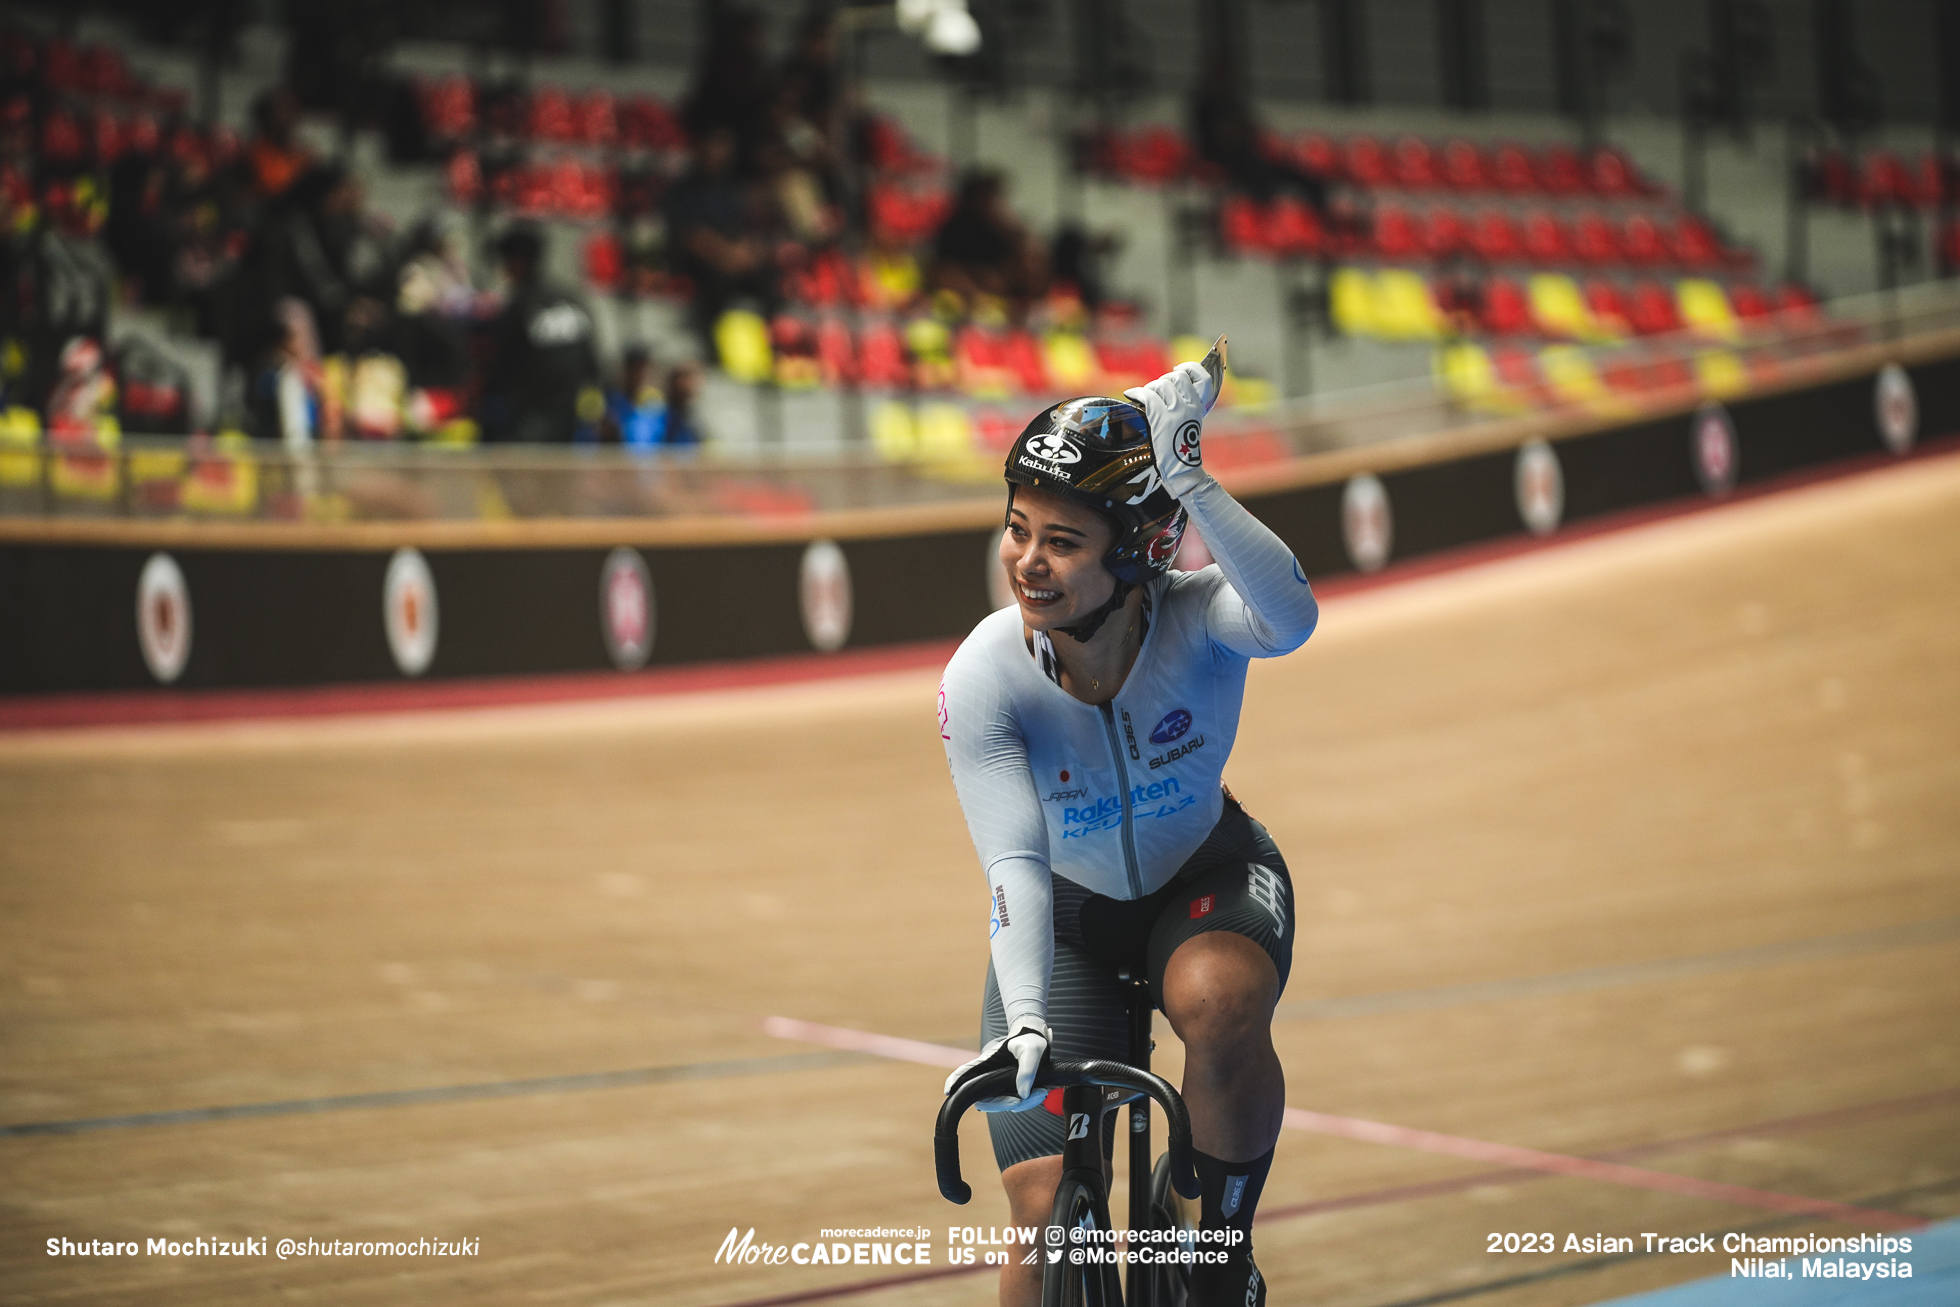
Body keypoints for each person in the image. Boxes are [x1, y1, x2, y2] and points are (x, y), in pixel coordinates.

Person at [938, 360, 1318, 1307]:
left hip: (1207, 883)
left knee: (1220, 1004)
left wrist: (1189, 476)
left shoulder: (1202, 617)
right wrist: (1024, 1018)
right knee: (1039, 1219)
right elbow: (1014, 864)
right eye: (1018, 530)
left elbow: (1294, 615)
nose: (1027, 561)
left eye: (1063, 541)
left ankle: (1218, 1253)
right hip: (1068, 917)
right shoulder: (986, 673)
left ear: (1141, 550)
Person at [478, 223, 602, 444]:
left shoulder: (520, 306)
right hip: (572, 416)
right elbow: (592, 363)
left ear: (518, 262)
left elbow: (501, 366)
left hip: (532, 419)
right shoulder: (572, 299)